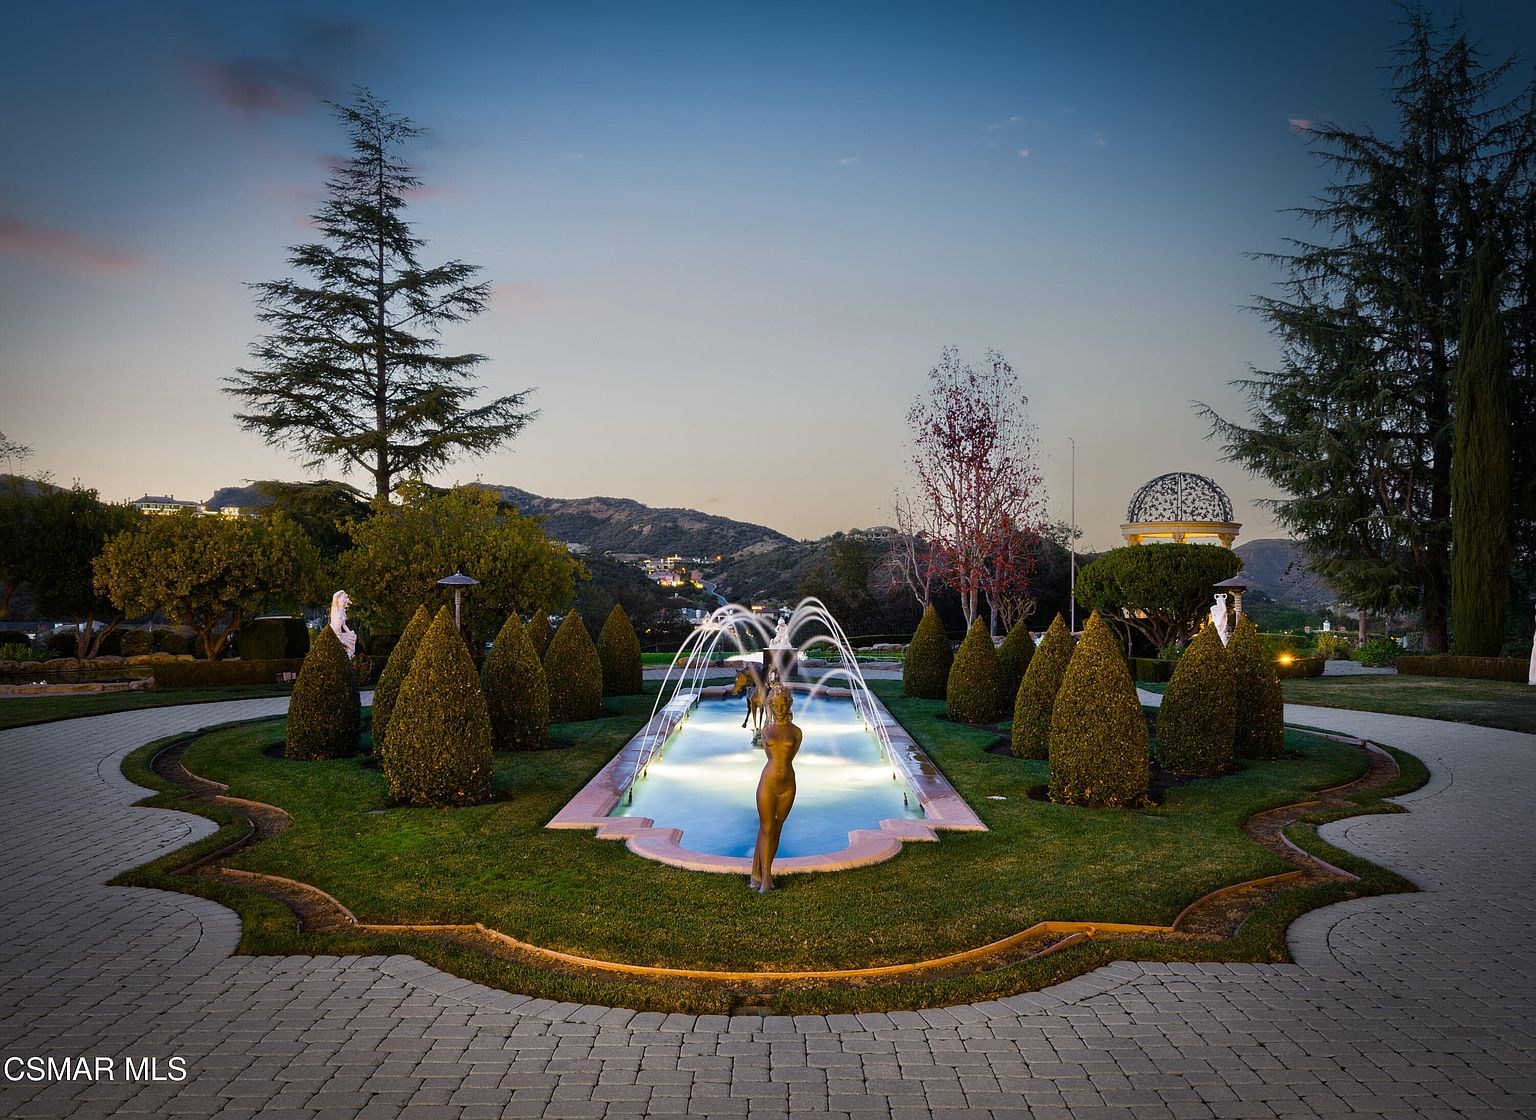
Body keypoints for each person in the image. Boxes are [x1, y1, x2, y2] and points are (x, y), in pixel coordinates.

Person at [750, 685, 802, 893]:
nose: (779, 708)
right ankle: (766, 879)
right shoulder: (766, 731)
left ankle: (758, 873)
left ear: (789, 704)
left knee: (776, 828)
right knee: (767, 828)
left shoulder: (796, 732)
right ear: (770, 705)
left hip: (788, 784)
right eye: (775, 705)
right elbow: (770, 757)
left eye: (783, 704)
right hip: (768, 784)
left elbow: (791, 756)